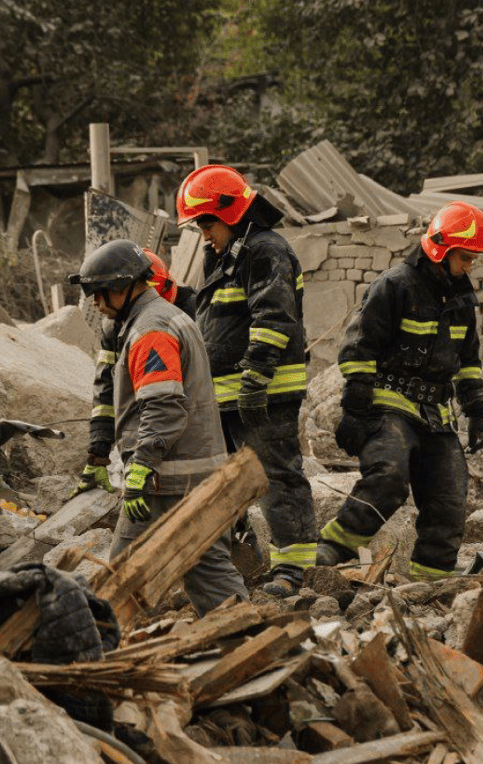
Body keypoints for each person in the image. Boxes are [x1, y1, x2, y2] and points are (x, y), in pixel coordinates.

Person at [313, 201, 483, 580]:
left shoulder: (462, 300)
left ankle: (433, 577)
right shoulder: (394, 286)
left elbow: (469, 360)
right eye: (465, 257)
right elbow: (359, 349)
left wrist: (476, 411)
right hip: (389, 405)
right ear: (440, 250)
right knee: (390, 476)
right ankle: (330, 548)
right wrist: (355, 409)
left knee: (450, 491)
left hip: (436, 414)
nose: (469, 266)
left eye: (472, 259)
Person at [68, 239, 248, 615]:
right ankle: (257, 645)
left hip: (167, 479)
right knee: (210, 573)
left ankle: (95, 653)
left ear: (122, 286)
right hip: (196, 474)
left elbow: (164, 407)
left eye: (99, 295)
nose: (97, 305)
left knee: (121, 578)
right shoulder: (167, 316)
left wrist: (140, 469)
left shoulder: (150, 330)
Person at [175, 165, 317, 597]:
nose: (202, 232)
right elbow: (216, 319)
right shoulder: (229, 252)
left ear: (231, 212)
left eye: (206, 222)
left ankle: (292, 571)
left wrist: (255, 377)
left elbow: (273, 316)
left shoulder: (265, 250)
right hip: (228, 396)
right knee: (221, 479)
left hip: (265, 392)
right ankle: (246, 559)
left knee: (277, 476)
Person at [70, 249, 195, 500]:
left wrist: (142, 464)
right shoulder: (115, 325)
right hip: (152, 443)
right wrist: (98, 454)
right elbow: (106, 392)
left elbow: (164, 403)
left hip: (184, 444)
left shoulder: (165, 322)